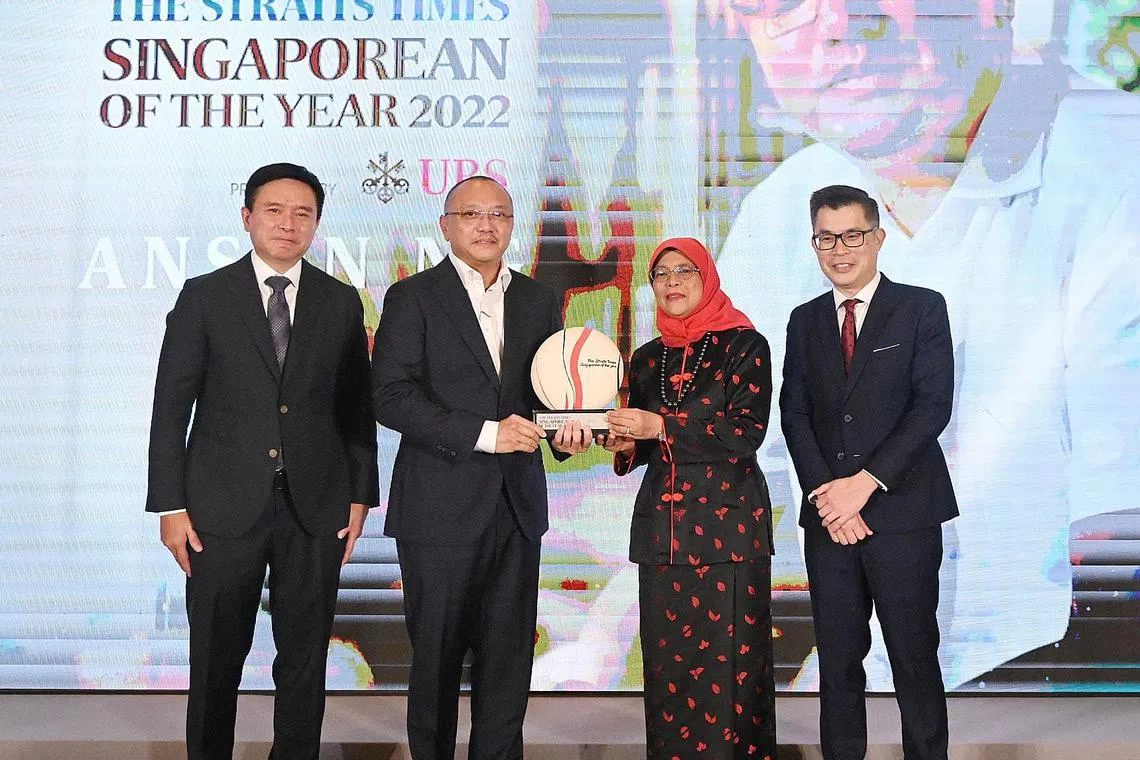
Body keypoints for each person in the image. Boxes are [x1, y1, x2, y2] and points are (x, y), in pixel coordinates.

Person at [716, 1, 1140, 689]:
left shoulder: (1119, 178)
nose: (838, 23)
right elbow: (729, 483)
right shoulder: (779, 214)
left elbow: (1120, 597)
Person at [146, 162, 379, 759]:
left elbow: (356, 408)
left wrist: (360, 495)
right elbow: (171, 410)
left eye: (303, 214)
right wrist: (169, 506)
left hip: (317, 509)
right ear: (247, 217)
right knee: (216, 664)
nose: (288, 224)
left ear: (317, 225)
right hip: (219, 511)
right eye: (274, 210)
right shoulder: (205, 296)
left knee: (303, 665)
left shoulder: (339, 301)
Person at [371, 175, 591, 760]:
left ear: (512, 225)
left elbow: (550, 394)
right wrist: (487, 435)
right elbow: (390, 396)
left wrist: (568, 432)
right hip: (438, 509)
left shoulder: (538, 299)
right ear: (447, 226)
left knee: (508, 664)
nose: (486, 225)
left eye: (498, 214)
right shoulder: (413, 297)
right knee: (437, 662)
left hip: (517, 509)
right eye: (471, 214)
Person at [780, 185, 957, 760]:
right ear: (815, 244)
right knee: (837, 662)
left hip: (902, 512)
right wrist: (828, 499)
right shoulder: (803, 320)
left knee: (913, 657)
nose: (840, 249)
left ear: (878, 238)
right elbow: (795, 411)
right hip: (831, 522)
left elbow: (932, 406)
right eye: (827, 238)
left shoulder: (921, 307)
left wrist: (864, 485)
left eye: (852, 235)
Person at [600, 237, 776, 760]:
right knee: (669, 674)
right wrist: (625, 442)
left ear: (707, 277)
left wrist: (659, 425)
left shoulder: (745, 345)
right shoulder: (647, 356)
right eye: (661, 274)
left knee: (733, 677)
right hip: (664, 536)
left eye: (684, 271)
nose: (672, 282)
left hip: (729, 535)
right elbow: (645, 445)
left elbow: (745, 433)